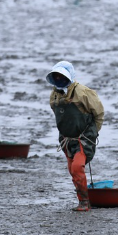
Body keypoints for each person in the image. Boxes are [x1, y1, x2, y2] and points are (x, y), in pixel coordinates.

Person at [46, 61, 104, 211]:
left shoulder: (83, 93)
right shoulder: (54, 95)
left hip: (84, 138)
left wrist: (92, 134)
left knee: (78, 167)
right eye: (56, 77)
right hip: (66, 138)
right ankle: (82, 199)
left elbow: (98, 113)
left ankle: (85, 202)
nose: (59, 79)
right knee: (73, 170)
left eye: (62, 76)